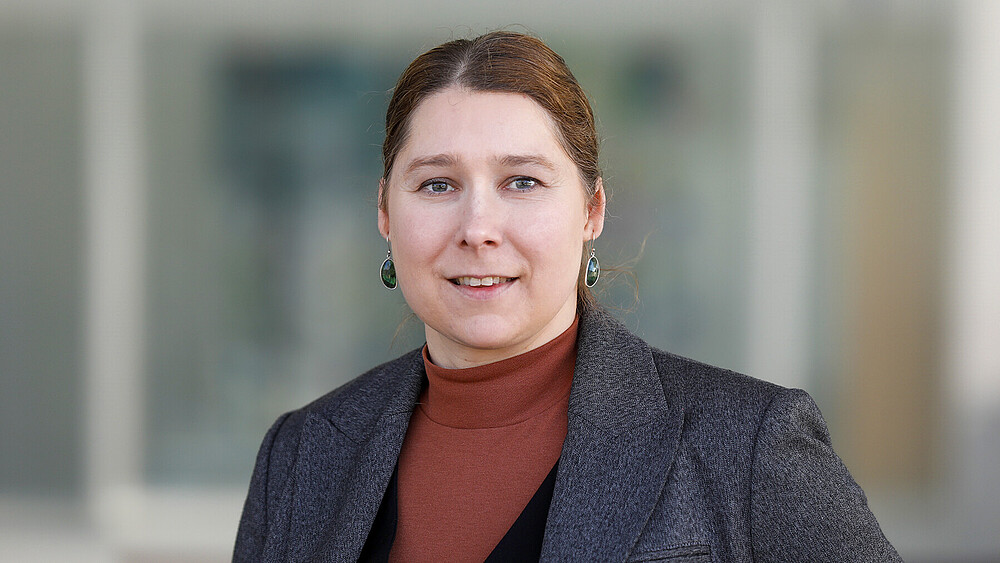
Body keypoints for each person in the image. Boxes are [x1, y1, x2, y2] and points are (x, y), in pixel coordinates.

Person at [234, 31, 901, 562]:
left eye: (522, 182)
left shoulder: (747, 446)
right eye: (438, 184)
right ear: (384, 211)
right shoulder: (301, 455)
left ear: (592, 210)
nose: (477, 229)